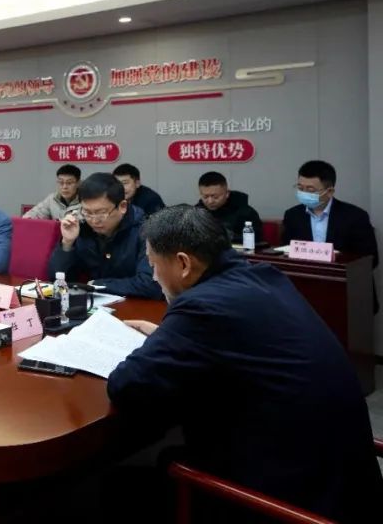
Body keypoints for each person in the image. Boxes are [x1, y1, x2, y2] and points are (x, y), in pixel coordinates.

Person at [108, 205, 383, 522]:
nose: (154, 276)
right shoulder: (264, 276)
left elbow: (126, 385)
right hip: (348, 483)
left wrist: (165, 342)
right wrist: (169, 338)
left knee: (126, 484)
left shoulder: (202, 307)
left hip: (292, 500)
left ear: (183, 263)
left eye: (154, 265)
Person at [282, 159, 379, 312]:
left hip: (347, 292)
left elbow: (371, 259)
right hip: (305, 293)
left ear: (330, 191)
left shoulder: (355, 216)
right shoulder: (292, 215)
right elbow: (286, 251)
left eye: (310, 190)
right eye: (300, 188)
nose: (304, 193)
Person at [47, 173, 159, 299]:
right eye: (87, 212)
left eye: (101, 213)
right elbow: (57, 279)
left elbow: (150, 284)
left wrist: (98, 285)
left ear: (122, 206)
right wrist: (67, 243)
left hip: (138, 306)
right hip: (96, 304)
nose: (94, 220)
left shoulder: (147, 231)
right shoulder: (82, 228)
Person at [194, 171, 262, 244]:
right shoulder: (195, 213)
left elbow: (256, 239)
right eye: (205, 197)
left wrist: (226, 236)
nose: (210, 201)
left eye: (215, 197)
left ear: (227, 193)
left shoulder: (246, 213)